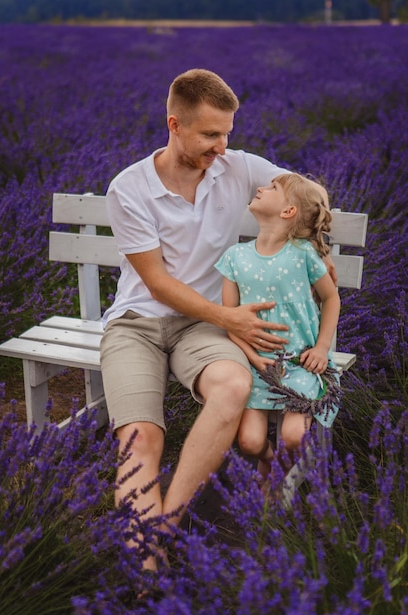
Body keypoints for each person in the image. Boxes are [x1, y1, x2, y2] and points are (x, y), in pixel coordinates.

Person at [100, 69, 335, 568]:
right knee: (141, 437)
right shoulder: (129, 188)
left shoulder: (240, 166)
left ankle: (160, 531)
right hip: (138, 323)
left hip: (202, 327)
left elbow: (298, 197)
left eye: (227, 132)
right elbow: (158, 284)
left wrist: (316, 249)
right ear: (175, 124)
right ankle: (145, 569)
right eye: (210, 134)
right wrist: (231, 318)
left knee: (231, 387)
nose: (222, 147)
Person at [215, 173, 341, 484]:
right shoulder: (235, 258)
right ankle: (270, 462)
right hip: (257, 366)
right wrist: (252, 358)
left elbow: (331, 298)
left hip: (301, 364)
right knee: (250, 443)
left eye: (272, 188)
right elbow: (229, 319)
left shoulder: (303, 255)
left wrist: (323, 347)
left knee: (295, 436)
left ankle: (278, 480)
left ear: (288, 211)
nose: (260, 187)